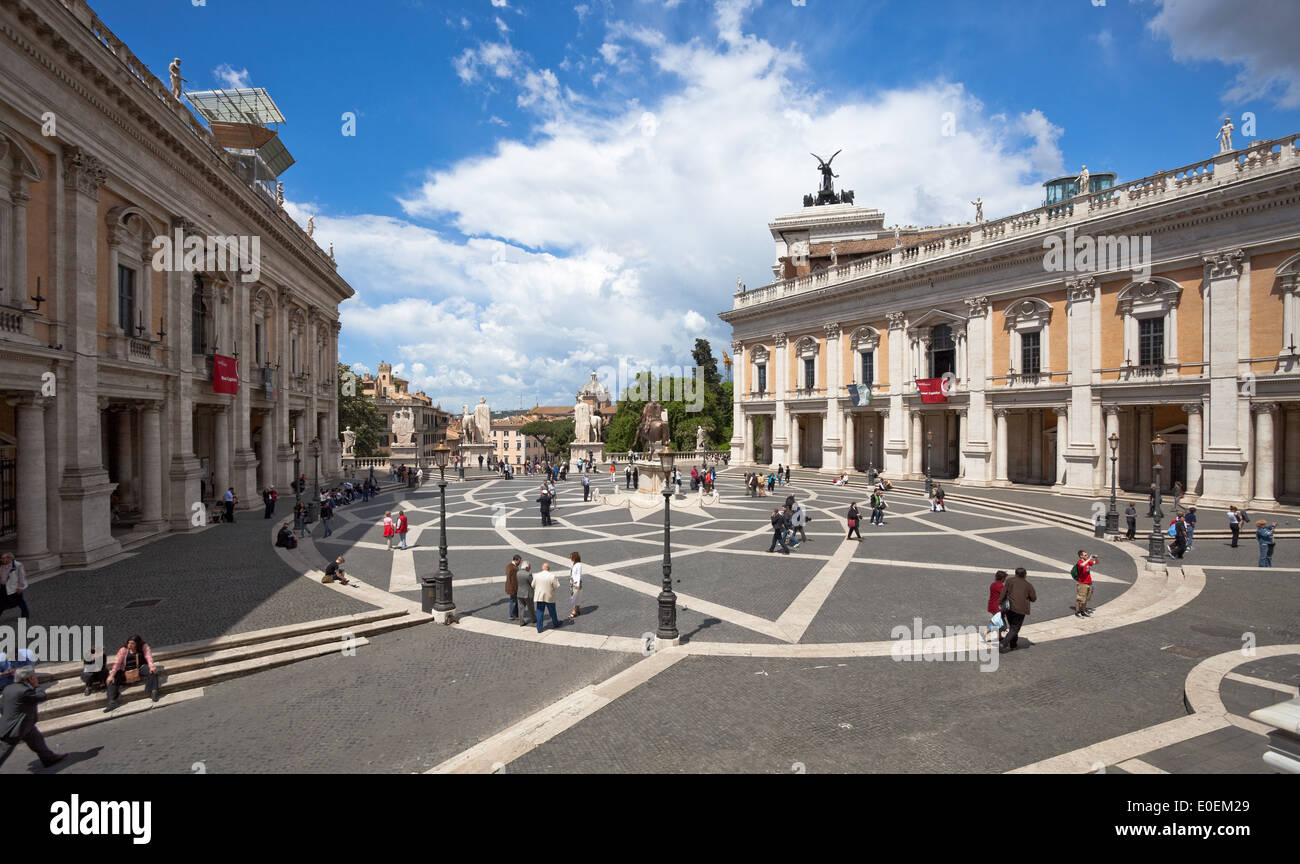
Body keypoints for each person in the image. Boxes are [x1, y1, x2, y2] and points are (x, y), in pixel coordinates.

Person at [0, 666, 65, 769]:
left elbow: (2, 707)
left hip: (24, 724)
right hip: (15, 728)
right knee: (3, 751)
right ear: (29, 678)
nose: (36, 677)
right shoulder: (24, 691)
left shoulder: (8, 688)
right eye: (34, 676)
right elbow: (41, 696)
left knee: (36, 740)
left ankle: (48, 758)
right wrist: (36, 686)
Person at [104, 634, 160, 711]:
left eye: (132, 643)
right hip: (125, 670)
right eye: (129, 643)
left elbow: (148, 656)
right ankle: (112, 701)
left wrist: (151, 666)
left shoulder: (144, 646)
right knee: (112, 680)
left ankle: (153, 691)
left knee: (153, 672)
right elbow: (117, 663)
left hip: (140, 668)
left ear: (137, 644)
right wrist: (112, 675)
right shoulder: (123, 650)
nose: (130, 645)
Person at [999, 566, 1037, 652]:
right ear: (1025, 575)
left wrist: (1000, 603)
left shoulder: (1009, 581)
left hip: (1009, 607)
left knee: (1012, 626)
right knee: (1015, 628)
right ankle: (1004, 643)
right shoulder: (1028, 585)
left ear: (1015, 573)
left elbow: (1003, 593)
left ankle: (1013, 645)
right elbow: (1034, 598)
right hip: (1021, 609)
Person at [533, 563, 562, 632]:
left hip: (539, 596)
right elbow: (556, 586)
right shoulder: (552, 576)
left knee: (539, 612)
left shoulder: (536, 575)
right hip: (549, 596)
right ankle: (556, 623)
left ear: (542, 568)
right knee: (552, 611)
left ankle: (539, 628)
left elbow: (532, 585)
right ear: (548, 568)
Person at [0, 554, 29, 619]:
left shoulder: (18, 565)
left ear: (10, 559)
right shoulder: (2, 565)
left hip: (14, 587)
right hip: (3, 587)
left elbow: (21, 577)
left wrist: (20, 587)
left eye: (3, 558)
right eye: (1, 558)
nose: (2, 560)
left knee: (20, 601)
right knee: (1, 602)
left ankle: (25, 614)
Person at [986, 571, 1008, 643]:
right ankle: (988, 630)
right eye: (1005, 578)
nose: (1005, 580)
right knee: (1003, 625)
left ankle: (999, 636)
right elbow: (1005, 595)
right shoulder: (1000, 586)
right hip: (997, 607)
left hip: (992, 605)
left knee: (998, 621)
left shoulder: (993, 584)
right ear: (1002, 578)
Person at [1072, 550, 1096, 616]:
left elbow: (1096, 563)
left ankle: (1083, 611)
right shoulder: (1079, 562)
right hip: (1082, 583)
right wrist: (1089, 559)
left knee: (1085, 599)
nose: (1087, 556)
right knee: (1080, 598)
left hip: (1089, 582)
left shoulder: (1088, 562)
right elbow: (1082, 565)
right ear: (1081, 556)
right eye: (1085, 555)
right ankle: (1077, 612)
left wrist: (1096, 558)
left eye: (1087, 555)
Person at [517, 560, 535, 627]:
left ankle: (521, 621)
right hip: (527, 594)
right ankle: (533, 619)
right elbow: (532, 583)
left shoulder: (517, 573)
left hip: (519, 593)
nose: (530, 568)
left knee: (521, 608)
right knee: (531, 607)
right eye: (529, 567)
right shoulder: (528, 574)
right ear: (527, 567)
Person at [567, 551, 583, 619]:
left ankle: (574, 612)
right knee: (577, 596)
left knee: (575, 597)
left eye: (571, 557)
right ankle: (578, 610)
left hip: (576, 583)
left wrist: (578, 584)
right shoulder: (574, 564)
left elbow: (578, 575)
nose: (570, 558)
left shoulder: (578, 565)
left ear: (575, 557)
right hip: (573, 583)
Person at [505, 555, 521, 621]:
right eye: (519, 561)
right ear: (515, 560)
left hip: (510, 587)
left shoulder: (509, 566)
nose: (519, 563)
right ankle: (513, 615)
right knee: (513, 601)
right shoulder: (513, 568)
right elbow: (513, 580)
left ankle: (514, 615)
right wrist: (516, 588)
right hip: (513, 588)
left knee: (513, 601)